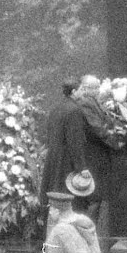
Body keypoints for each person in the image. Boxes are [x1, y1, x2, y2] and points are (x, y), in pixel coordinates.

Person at [74, 75, 124, 237]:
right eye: (94, 88)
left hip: (99, 156)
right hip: (92, 156)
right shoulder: (85, 104)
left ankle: (89, 232)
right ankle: (86, 234)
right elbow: (97, 128)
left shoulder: (94, 102)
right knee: (93, 197)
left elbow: (106, 122)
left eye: (98, 87)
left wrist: (114, 129)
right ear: (86, 88)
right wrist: (116, 141)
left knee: (97, 197)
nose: (97, 90)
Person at [38, 79, 87, 208]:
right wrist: (81, 167)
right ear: (74, 92)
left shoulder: (56, 108)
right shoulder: (75, 110)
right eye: (81, 89)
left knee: (54, 195)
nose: (83, 92)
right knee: (67, 199)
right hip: (66, 161)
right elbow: (75, 140)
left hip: (53, 157)